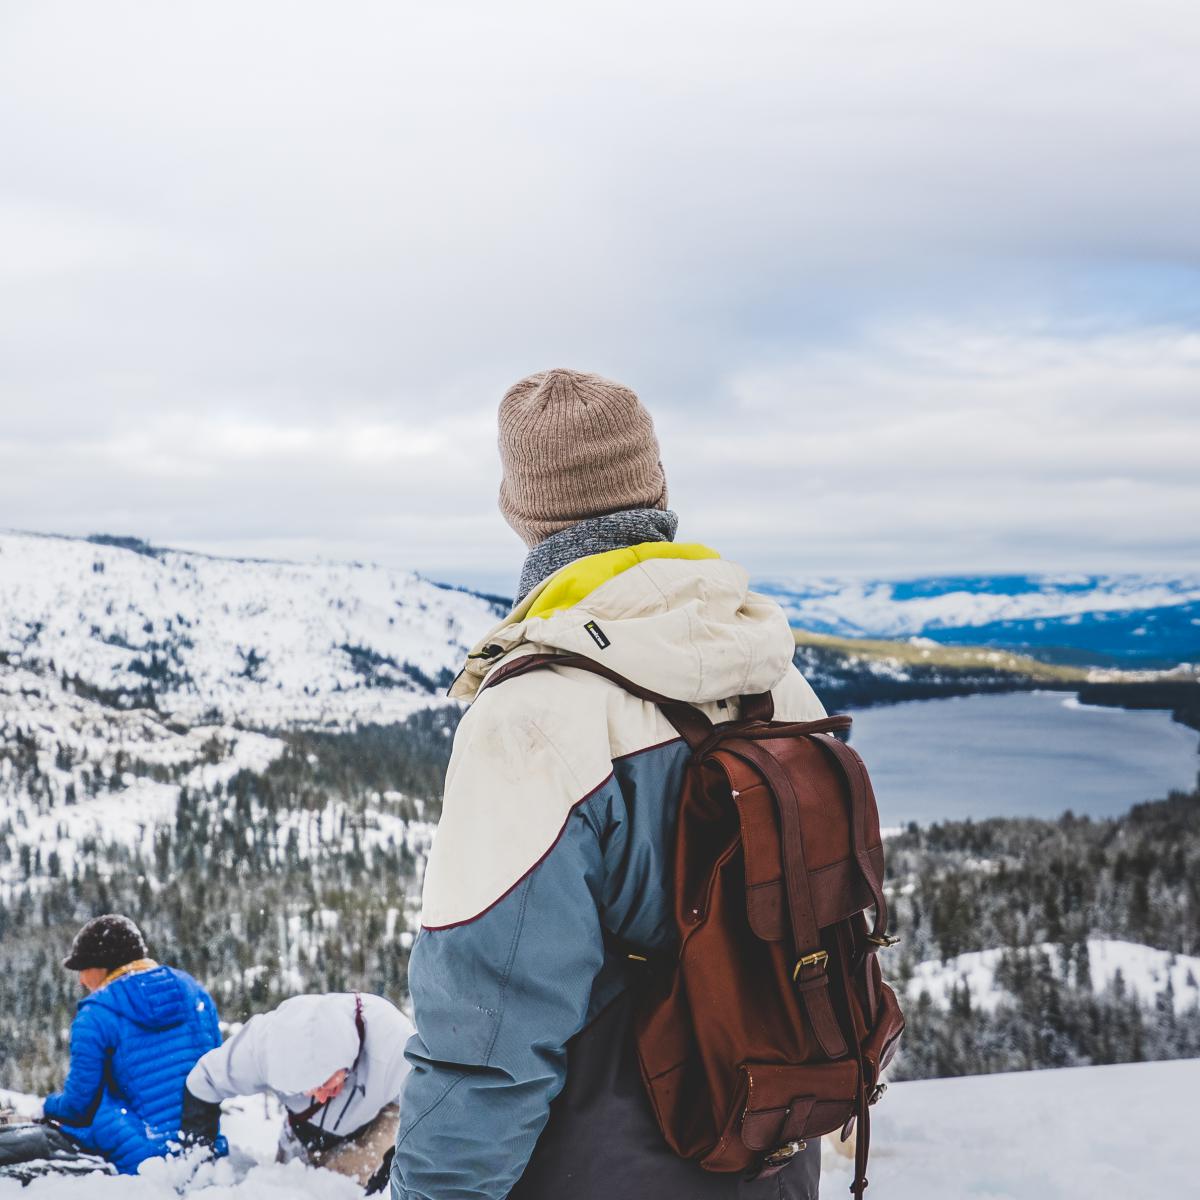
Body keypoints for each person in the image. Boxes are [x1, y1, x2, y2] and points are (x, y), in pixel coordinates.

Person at [391, 368, 826, 1200]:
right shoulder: (776, 677)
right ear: (658, 488)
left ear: (521, 512)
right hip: (771, 1145)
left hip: (602, 1165)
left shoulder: (535, 715)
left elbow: (486, 1034)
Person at [30, 914, 222, 1175]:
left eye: (82, 968)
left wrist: (45, 1106)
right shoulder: (195, 992)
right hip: (205, 1150)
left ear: (102, 965)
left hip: (144, 1159)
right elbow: (216, 1074)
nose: (81, 980)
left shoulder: (96, 1014)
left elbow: (78, 1108)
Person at [185, 991, 412, 1186]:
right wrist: (200, 1157)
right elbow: (204, 1081)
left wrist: (393, 1159)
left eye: (326, 1083)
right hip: (301, 1132)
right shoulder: (260, 1046)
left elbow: (430, 1107)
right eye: (307, 1090)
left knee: (347, 1185)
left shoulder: (394, 1044)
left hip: (375, 1125)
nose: (319, 1097)